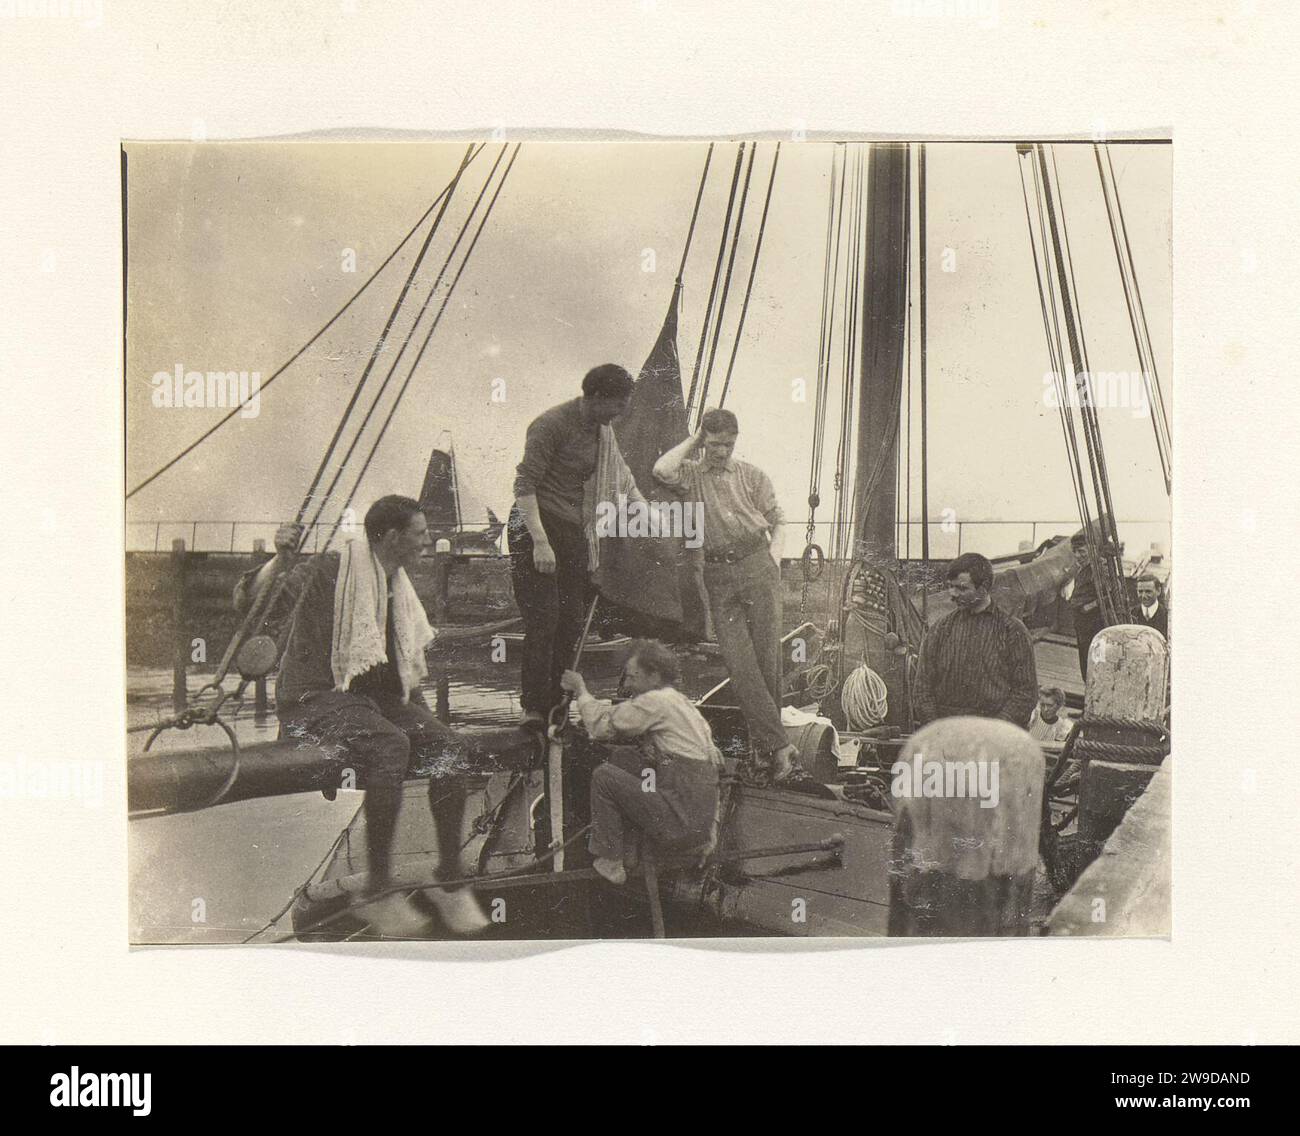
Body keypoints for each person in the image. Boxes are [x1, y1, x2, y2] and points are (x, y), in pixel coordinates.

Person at [233, 497, 489, 938]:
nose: (428, 541)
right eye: (420, 533)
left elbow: (398, 667)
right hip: (315, 698)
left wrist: (427, 722)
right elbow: (254, 602)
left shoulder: (396, 584)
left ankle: (450, 879)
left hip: (372, 703)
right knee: (390, 744)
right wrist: (281, 558)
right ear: (391, 537)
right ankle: (377, 887)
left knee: (451, 750)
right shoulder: (334, 569)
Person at [652, 407, 800, 782]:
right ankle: (781, 745)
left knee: (767, 662)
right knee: (738, 663)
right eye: (715, 445)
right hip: (718, 572)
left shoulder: (752, 475)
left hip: (757, 564)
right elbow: (661, 470)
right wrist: (695, 440)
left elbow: (779, 517)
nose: (722, 452)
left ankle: (765, 754)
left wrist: (774, 557)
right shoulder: (690, 475)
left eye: (729, 445)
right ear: (705, 441)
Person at [509, 364, 644, 729]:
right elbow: (524, 487)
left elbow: (621, 476)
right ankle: (533, 708)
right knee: (545, 620)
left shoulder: (603, 432)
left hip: (570, 529)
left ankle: (559, 706)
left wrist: (646, 516)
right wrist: (539, 542)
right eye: (616, 406)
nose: (620, 414)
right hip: (534, 525)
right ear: (596, 398)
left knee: (571, 622)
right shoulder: (550, 425)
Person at [560, 640, 722, 886]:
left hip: (679, 824)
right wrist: (711, 831)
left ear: (654, 676)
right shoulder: (687, 708)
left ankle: (611, 859)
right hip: (698, 826)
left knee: (604, 777)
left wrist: (580, 691)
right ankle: (630, 849)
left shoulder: (656, 701)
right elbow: (713, 773)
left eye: (632, 677)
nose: (627, 685)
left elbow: (601, 726)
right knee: (626, 759)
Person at [913, 552, 1038, 726]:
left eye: (962, 588)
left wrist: (994, 729)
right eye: (950, 586)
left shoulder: (1013, 631)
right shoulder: (940, 630)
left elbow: (1025, 693)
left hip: (993, 734)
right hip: (946, 732)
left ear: (984, 586)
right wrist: (936, 729)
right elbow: (922, 689)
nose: (952, 594)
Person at [1066, 532, 1106, 679]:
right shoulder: (1083, 569)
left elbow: (1110, 597)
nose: (1077, 555)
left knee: (1095, 670)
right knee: (1086, 669)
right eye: (1075, 552)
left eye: (1081, 551)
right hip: (1084, 628)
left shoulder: (1100, 568)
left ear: (1093, 549)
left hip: (1095, 628)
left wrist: (1086, 608)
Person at [1134, 574, 1169, 639]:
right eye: (1140, 592)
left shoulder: (1167, 616)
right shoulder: (1131, 614)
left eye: (1148, 591)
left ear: (1158, 591)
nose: (1143, 596)